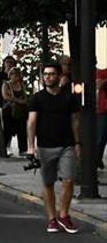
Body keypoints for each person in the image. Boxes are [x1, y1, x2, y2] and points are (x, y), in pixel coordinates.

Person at [27, 63, 81, 234]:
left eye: (51, 74)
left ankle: (64, 214)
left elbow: (75, 121)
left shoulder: (69, 98)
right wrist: (31, 147)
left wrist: (78, 143)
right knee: (48, 183)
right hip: (45, 146)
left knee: (69, 180)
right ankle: (52, 219)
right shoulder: (37, 98)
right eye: (45, 74)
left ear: (59, 76)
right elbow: (31, 122)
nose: (48, 77)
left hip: (67, 145)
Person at [2, 67, 30, 155]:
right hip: (9, 110)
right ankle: (5, 148)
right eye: (14, 74)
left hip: (20, 111)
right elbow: (5, 96)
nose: (16, 76)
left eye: (18, 74)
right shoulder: (6, 84)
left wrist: (24, 101)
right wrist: (17, 100)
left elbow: (25, 95)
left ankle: (23, 149)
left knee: (22, 130)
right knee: (8, 130)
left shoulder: (21, 85)